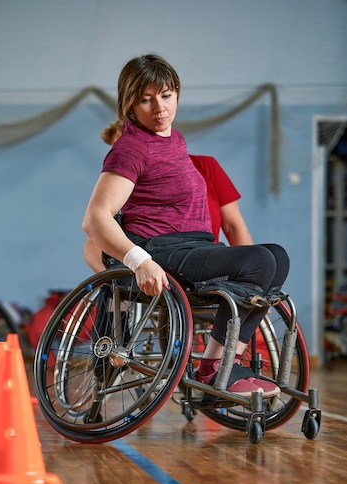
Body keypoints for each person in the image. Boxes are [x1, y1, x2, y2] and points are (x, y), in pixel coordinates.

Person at [82, 54, 290, 397]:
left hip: (191, 244)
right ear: (129, 105)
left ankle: (220, 364)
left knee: (277, 257)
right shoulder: (130, 148)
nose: (159, 107)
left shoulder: (173, 139)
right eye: (146, 100)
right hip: (161, 248)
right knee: (261, 261)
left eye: (165, 95)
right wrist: (139, 261)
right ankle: (213, 369)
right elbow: (95, 219)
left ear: (177, 93)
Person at [84, 120, 253, 271]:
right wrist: (132, 270)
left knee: (264, 260)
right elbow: (94, 244)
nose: (127, 158)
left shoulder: (205, 167)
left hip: (203, 260)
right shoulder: (120, 186)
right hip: (156, 266)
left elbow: (233, 226)